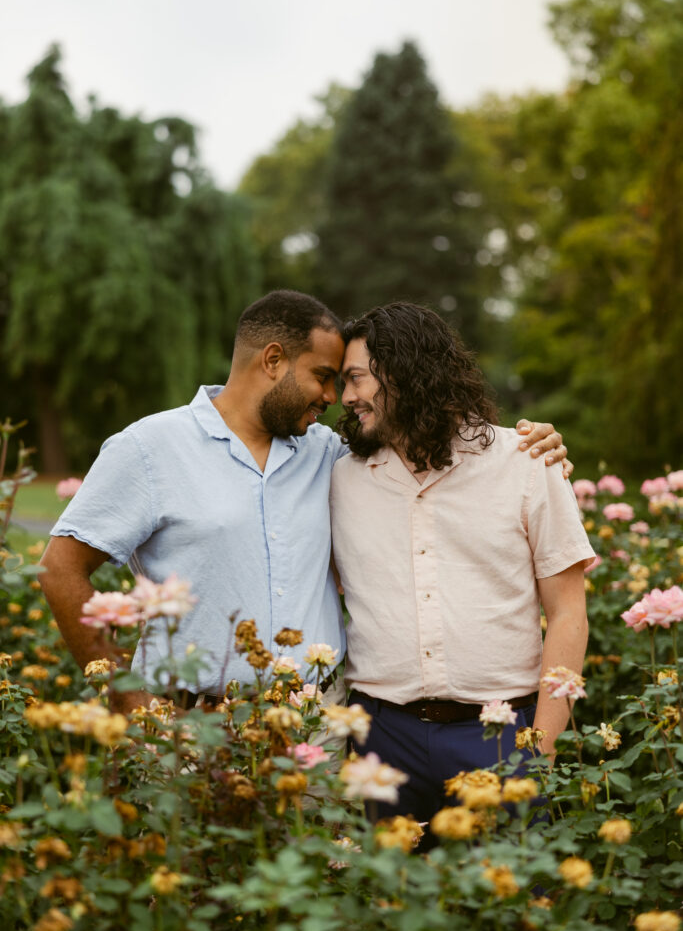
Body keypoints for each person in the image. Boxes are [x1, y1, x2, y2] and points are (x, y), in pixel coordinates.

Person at [39, 290, 567, 713]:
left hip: (314, 724)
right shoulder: (149, 449)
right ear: (273, 360)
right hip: (190, 723)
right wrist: (127, 697)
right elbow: (60, 571)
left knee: (323, 851)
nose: (333, 397)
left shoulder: (330, 454)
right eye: (322, 376)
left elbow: (426, 434)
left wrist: (536, 447)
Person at [329, 302, 594, 833]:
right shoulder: (340, 478)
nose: (347, 397)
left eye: (356, 379)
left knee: (513, 907)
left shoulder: (525, 462)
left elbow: (568, 612)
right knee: (390, 909)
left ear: (404, 371)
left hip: (499, 737)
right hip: (382, 739)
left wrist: (539, 750)